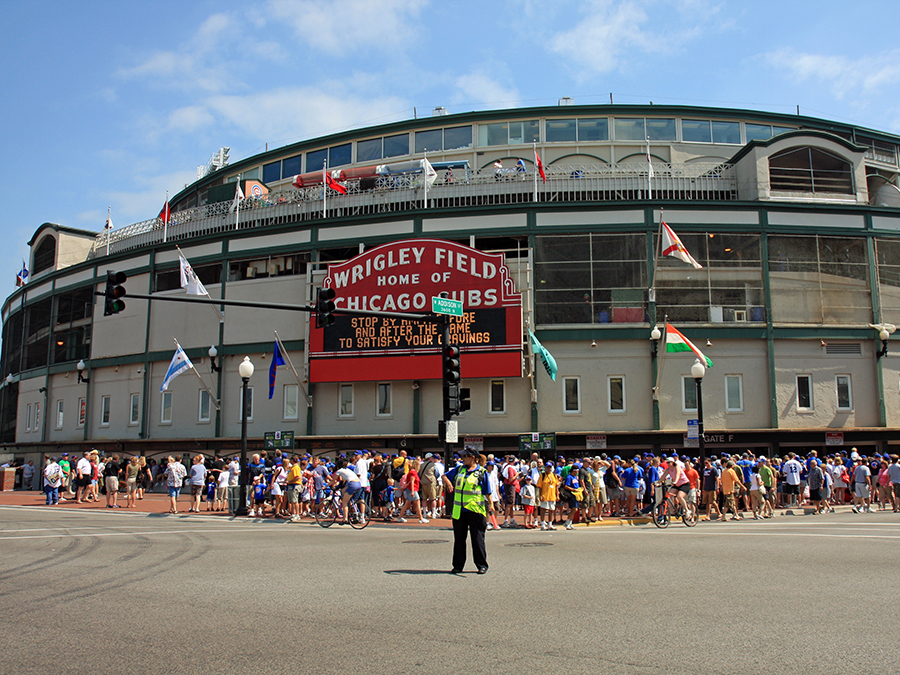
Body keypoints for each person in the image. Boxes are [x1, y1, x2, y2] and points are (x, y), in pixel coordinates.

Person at [442, 449, 491, 574]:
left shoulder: (481, 472)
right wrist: (448, 483)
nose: (462, 458)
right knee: (459, 539)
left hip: (475, 510)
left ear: (473, 458)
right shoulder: (460, 469)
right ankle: (458, 565)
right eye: (462, 456)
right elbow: (444, 475)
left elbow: (487, 491)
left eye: (465, 456)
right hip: (459, 510)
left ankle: (481, 565)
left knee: (477, 539)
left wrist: (491, 506)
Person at [397, 457, 427, 523]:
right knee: (417, 503)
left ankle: (400, 517)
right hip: (412, 489)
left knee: (407, 504)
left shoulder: (412, 471)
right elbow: (412, 482)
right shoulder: (413, 472)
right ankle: (421, 518)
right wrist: (413, 491)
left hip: (410, 489)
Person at [536, 461, 560, 530]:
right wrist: (540, 495)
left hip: (552, 496)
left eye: (550, 467)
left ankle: (550, 524)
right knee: (543, 510)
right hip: (545, 495)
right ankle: (543, 524)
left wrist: (557, 495)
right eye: (547, 467)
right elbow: (539, 486)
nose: (549, 469)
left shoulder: (554, 475)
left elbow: (556, 486)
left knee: (551, 510)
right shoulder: (542, 476)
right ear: (545, 468)